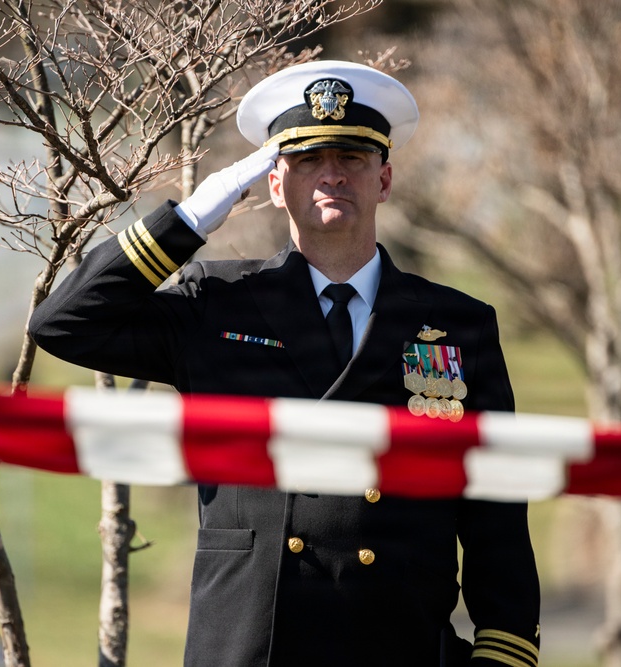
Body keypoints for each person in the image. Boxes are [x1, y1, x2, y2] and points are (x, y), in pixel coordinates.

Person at [29, 60, 541, 667]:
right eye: (307, 161)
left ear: (384, 179)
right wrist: (189, 221)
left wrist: (500, 656)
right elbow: (64, 321)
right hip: (253, 646)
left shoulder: (459, 323)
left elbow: (496, 515)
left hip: (397, 645)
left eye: (352, 158)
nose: (332, 176)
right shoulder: (216, 304)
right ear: (276, 184)